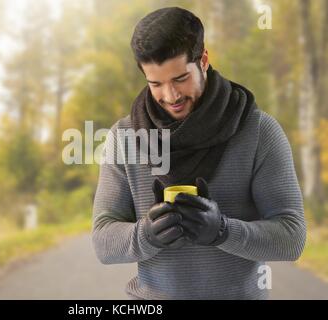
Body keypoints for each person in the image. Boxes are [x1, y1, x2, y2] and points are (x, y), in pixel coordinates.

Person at [92, 7, 306, 300]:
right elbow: (103, 242)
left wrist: (223, 231)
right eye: (156, 83)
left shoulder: (259, 132)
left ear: (203, 60)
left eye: (180, 78)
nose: (171, 96)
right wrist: (146, 235)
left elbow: (292, 238)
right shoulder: (124, 138)